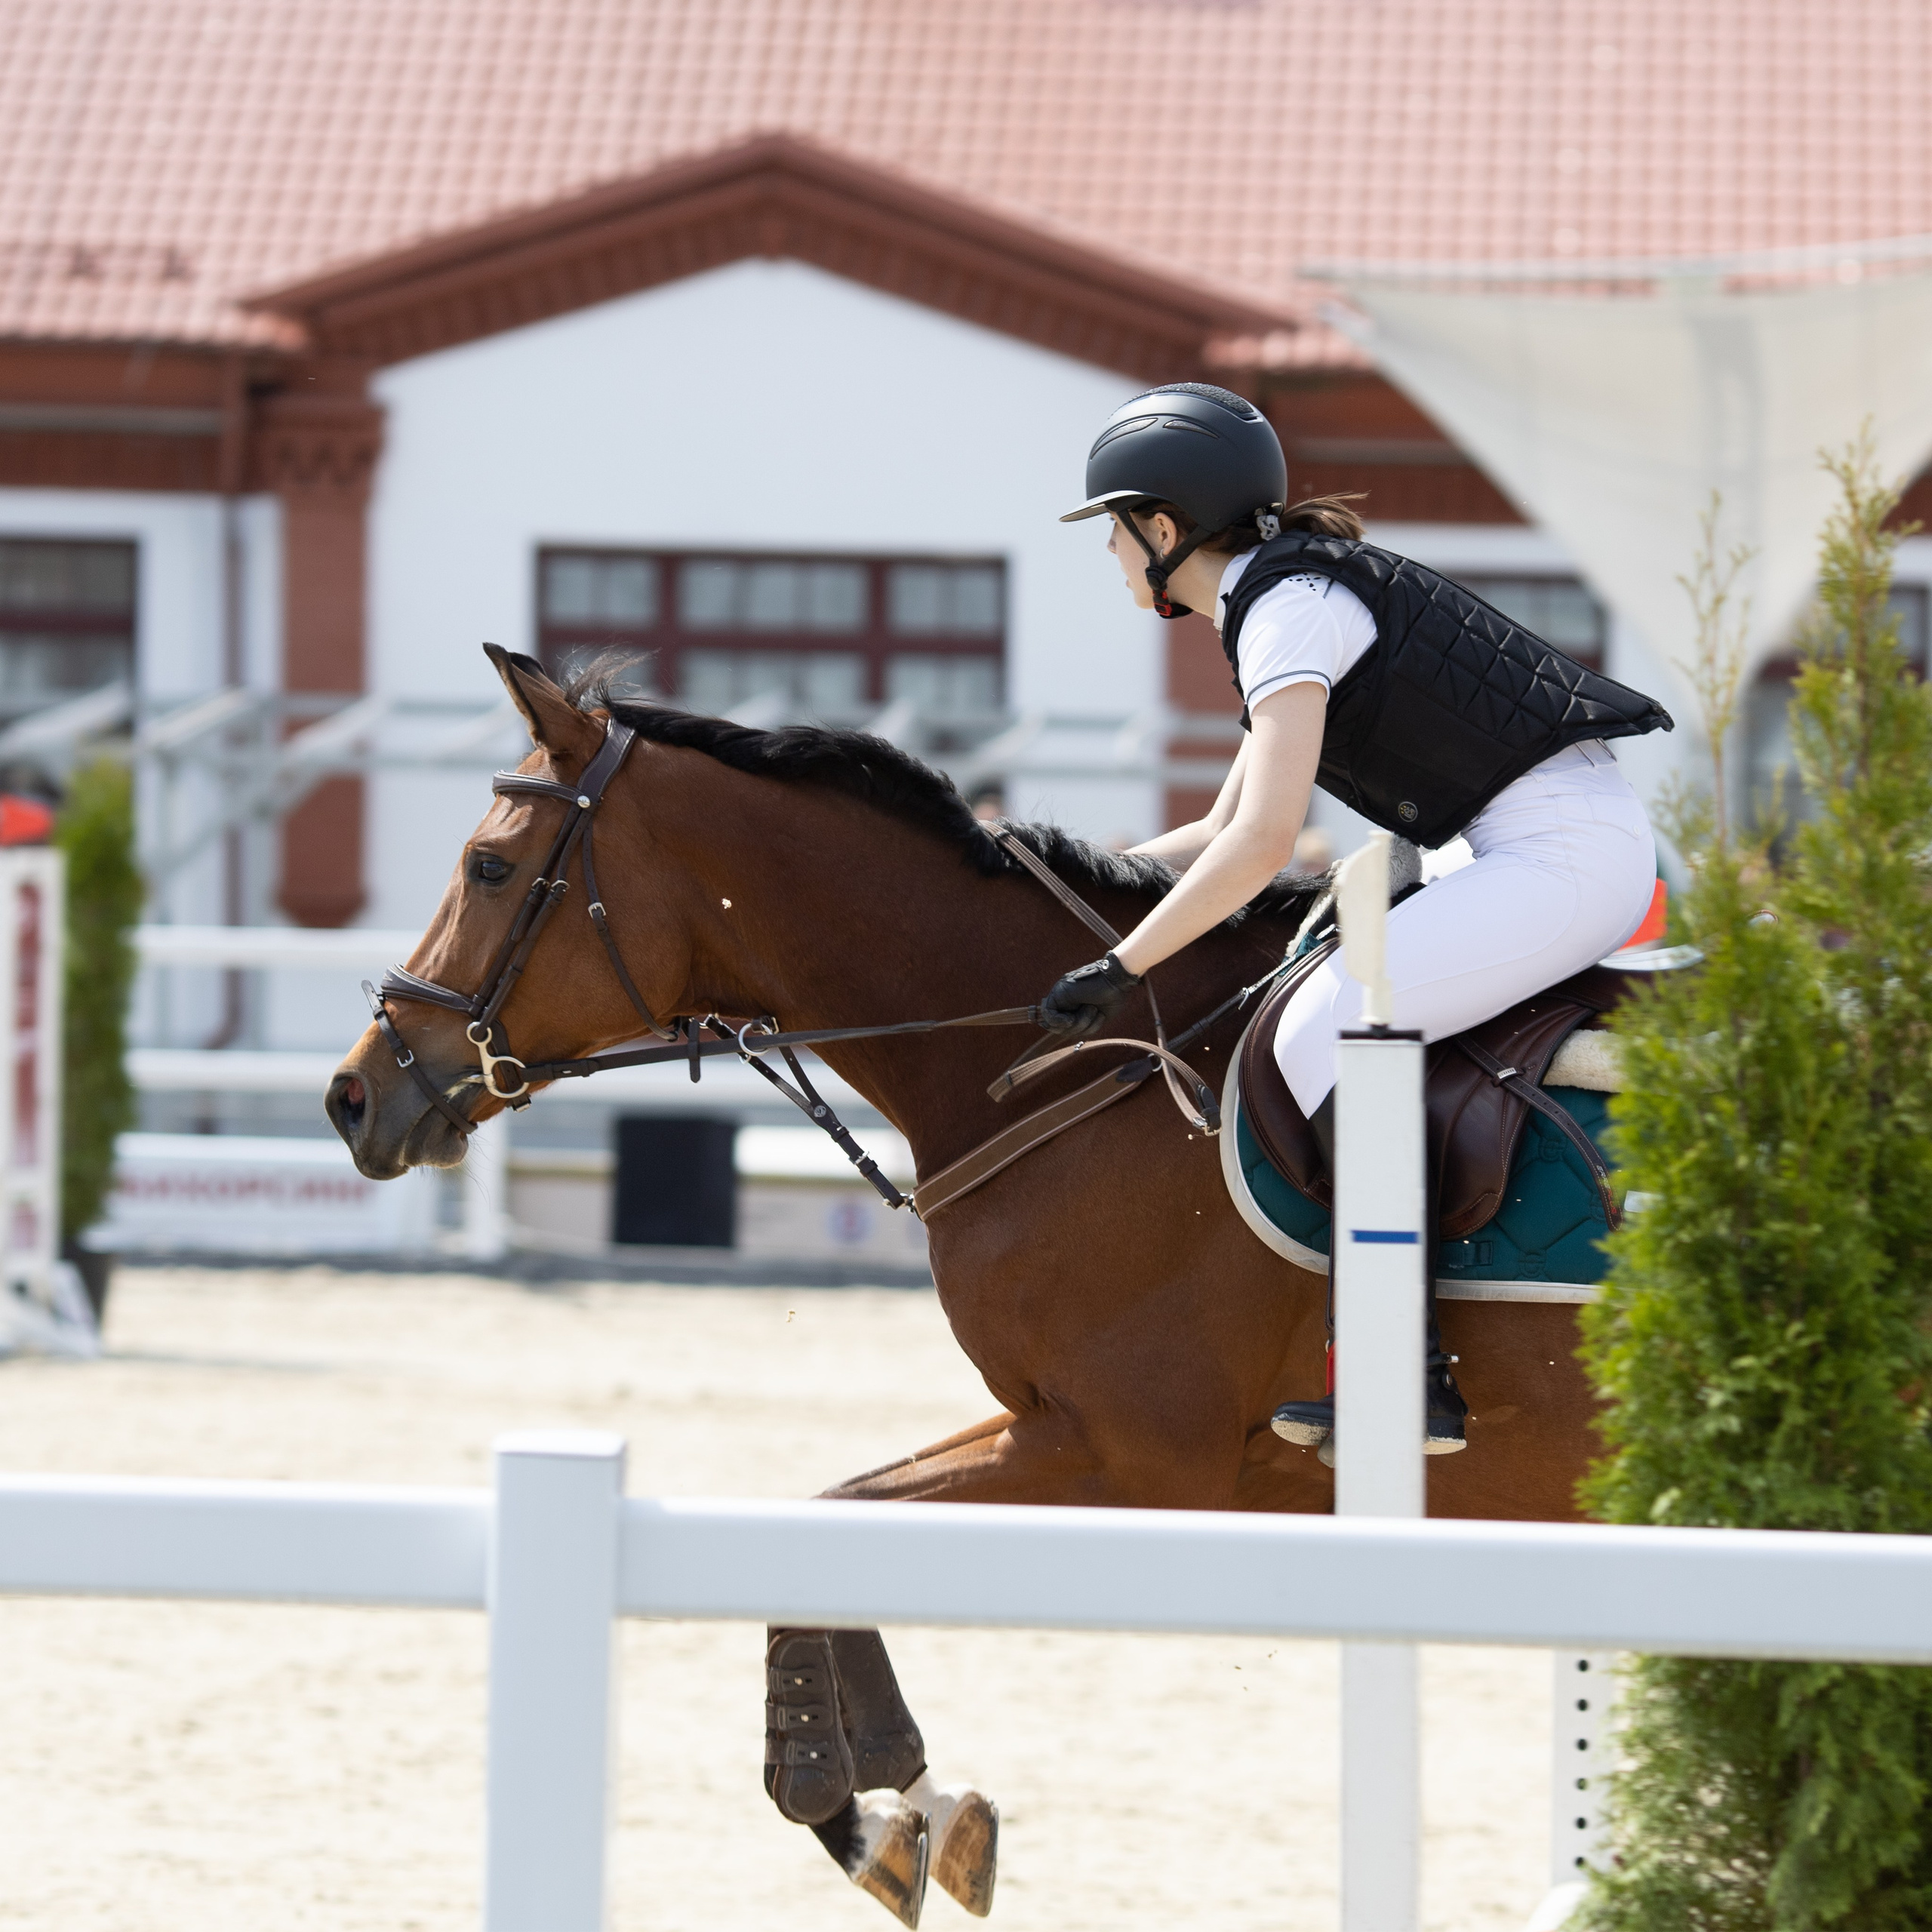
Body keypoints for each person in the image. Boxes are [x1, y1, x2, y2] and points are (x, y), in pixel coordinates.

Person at [1036, 383, 1669, 1455]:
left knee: (1324, 1029)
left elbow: (1264, 846)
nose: (1107, 554)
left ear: (1160, 527)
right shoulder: (1281, 600)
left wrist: (1123, 962)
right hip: (1525, 844)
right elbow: (1222, 822)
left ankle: (1399, 1366)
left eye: (1112, 528)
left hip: (1561, 859)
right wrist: (1063, 885)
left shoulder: (1289, 610)